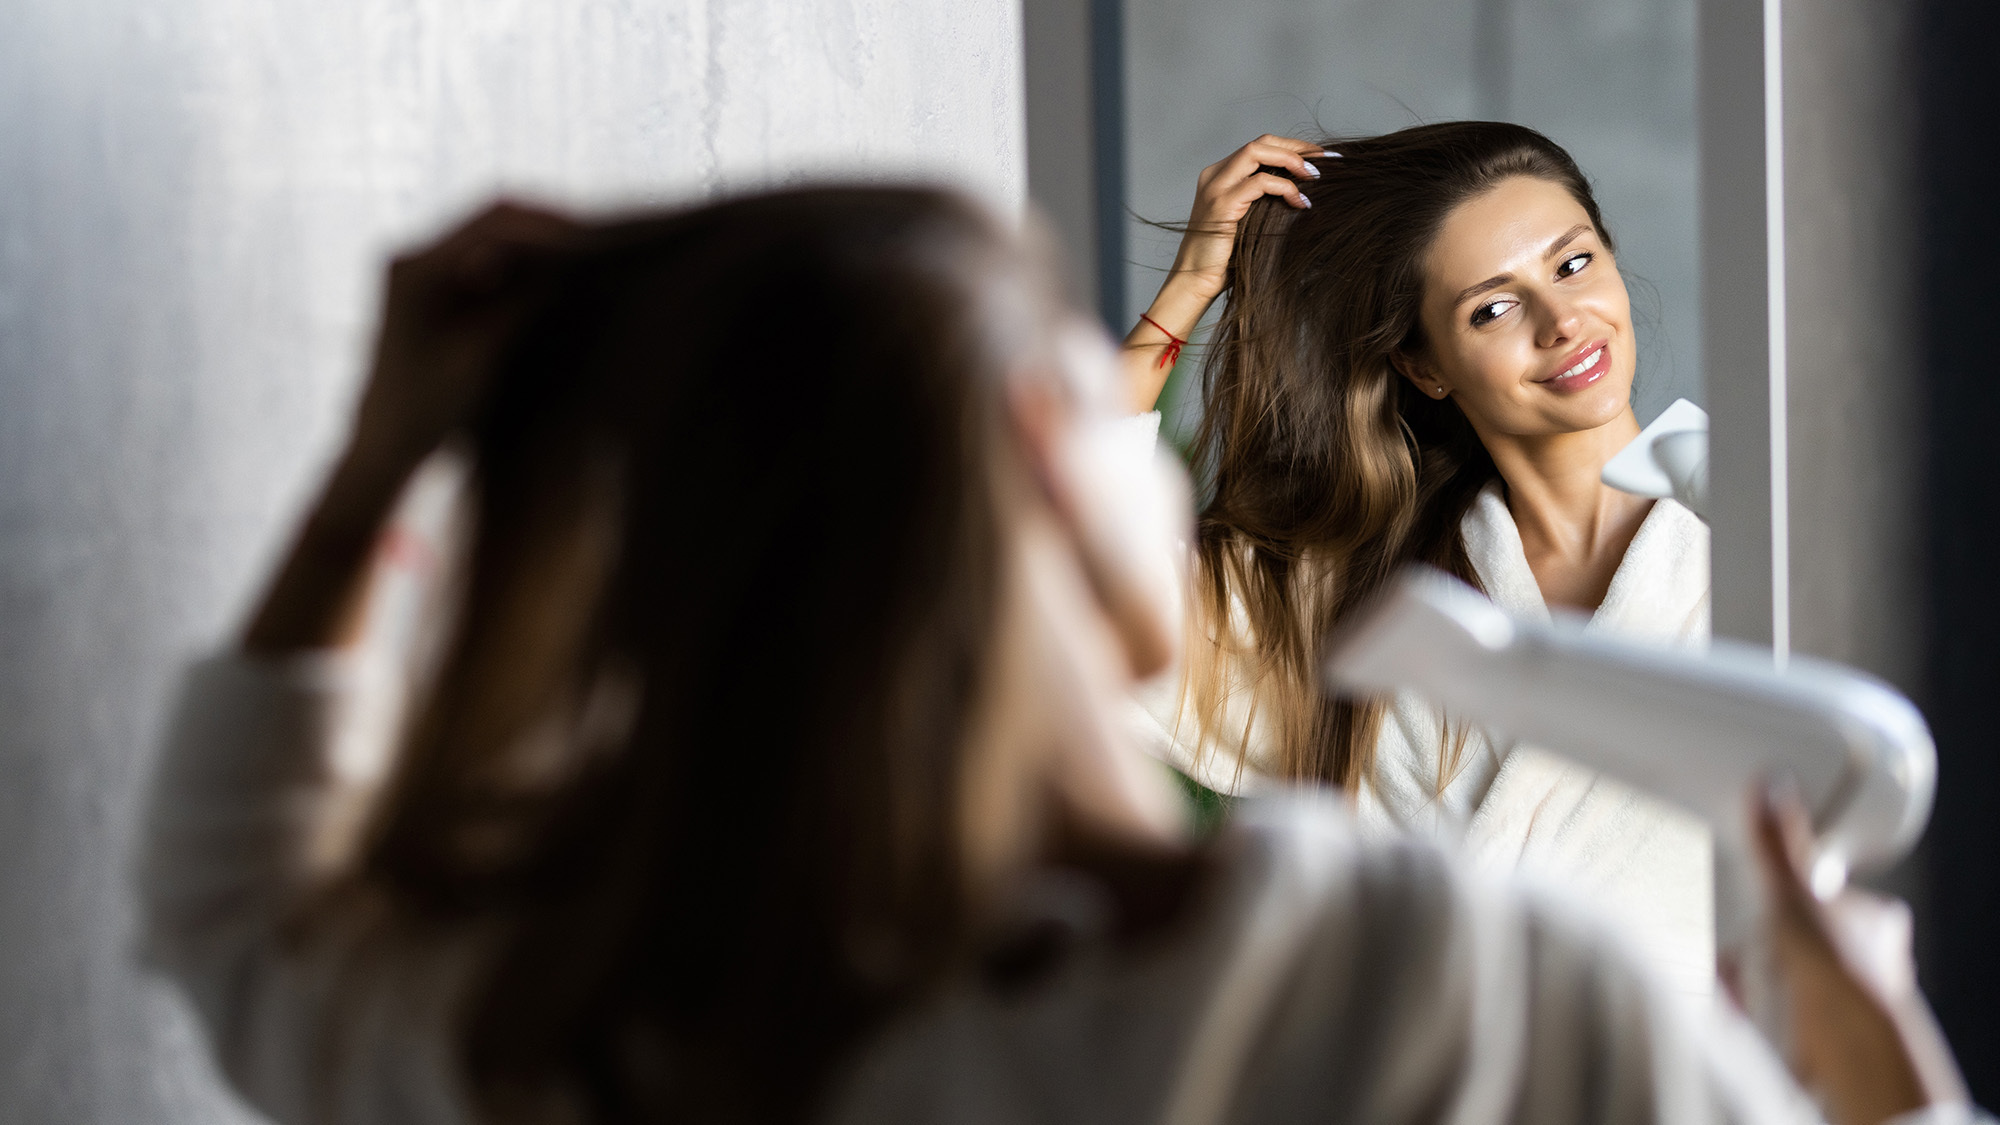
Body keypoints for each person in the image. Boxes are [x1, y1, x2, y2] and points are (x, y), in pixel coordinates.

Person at [138, 188, 1969, 1125]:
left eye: (1576, 266)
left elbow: (234, 925)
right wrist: (1865, 1065)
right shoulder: (1436, 983)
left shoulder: (580, 1032)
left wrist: (383, 462)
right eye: (1099, 376)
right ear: (1041, 448)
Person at [1121, 121, 1715, 995]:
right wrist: (1188, 288)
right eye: (1493, 307)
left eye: (1573, 262)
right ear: (1424, 365)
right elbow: (1049, 578)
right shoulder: (1360, 606)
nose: (1561, 321)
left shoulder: (1754, 542)